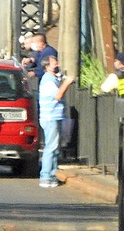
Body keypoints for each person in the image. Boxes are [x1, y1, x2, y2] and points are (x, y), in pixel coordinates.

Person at [38, 55, 75, 188]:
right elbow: (58, 96)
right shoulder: (48, 80)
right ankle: (46, 176)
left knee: (55, 148)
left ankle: (52, 175)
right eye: (54, 63)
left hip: (55, 116)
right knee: (51, 147)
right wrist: (67, 82)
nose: (57, 64)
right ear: (47, 66)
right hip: (50, 118)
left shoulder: (53, 79)